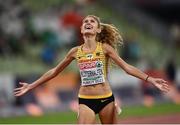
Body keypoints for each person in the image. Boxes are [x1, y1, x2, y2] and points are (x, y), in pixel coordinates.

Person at [14, 15, 170, 124]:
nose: (88, 22)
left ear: (98, 30)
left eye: (92, 22)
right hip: (85, 100)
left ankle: (115, 107)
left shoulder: (105, 49)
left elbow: (127, 68)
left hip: (106, 99)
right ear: (81, 30)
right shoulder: (75, 52)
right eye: (85, 21)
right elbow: (54, 71)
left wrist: (150, 79)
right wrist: (31, 85)